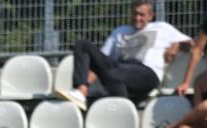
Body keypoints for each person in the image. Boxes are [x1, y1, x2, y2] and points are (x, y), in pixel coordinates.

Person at [55, 0, 190, 111]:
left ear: (151, 15)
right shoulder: (119, 31)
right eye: (135, 14)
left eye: (142, 15)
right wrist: (86, 84)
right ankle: (81, 92)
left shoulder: (162, 28)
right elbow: (101, 62)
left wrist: (178, 45)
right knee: (82, 44)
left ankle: (83, 94)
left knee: (114, 73)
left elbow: (195, 44)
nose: (137, 18)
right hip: (119, 72)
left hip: (146, 73)